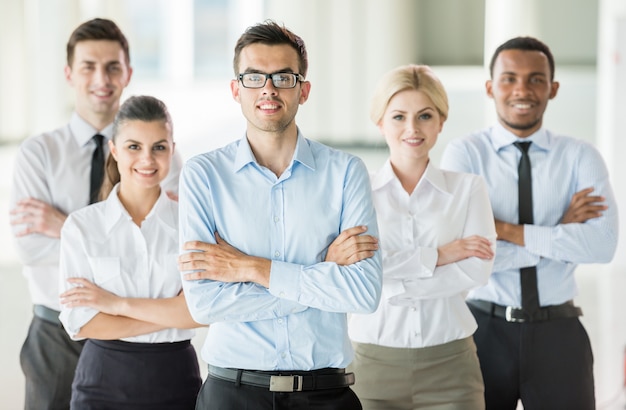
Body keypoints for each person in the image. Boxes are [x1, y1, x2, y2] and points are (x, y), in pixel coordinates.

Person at [177, 20, 383, 410]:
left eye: (283, 77)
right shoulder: (204, 175)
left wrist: (252, 268)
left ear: (303, 90)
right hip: (232, 394)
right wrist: (321, 270)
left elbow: (363, 292)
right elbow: (204, 304)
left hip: (327, 395)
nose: (268, 89)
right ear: (236, 89)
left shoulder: (345, 172)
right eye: (254, 77)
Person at [8, 18, 181, 409]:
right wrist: (129, 265)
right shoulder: (40, 153)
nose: (101, 78)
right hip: (57, 331)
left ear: (128, 73)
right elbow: (32, 248)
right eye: (89, 66)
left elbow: (171, 240)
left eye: (113, 67)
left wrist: (63, 225)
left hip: (140, 346)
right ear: (69, 74)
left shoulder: (163, 157)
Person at [440, 36, 619, 409]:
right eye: (509, 78)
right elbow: (466, 256)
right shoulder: (465, 153)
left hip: (560, 334)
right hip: (482, 331)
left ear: (552, 88)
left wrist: (502, 229)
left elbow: (602, 246)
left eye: (536, 79)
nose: (522, 89)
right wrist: (559, 235)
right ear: (490, 88)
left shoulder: (580, 156)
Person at [334, 64, 494, 410]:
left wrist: (389, 285)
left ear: (441, 122)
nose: (412, 128)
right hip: (373, 364)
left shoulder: (468, 189)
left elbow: (476, 271)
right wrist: (437, 255)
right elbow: (353, 271)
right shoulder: (356, 192)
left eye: (424, 116)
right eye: (398, 117)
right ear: (380, 123)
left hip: (451, 366)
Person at [57, 95, 201, 409]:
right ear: (114, 150)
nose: (147, 160)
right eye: (134, 146)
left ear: (172, 151)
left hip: (176, 380)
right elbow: (81, 323)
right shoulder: (82, 227)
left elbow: (202, 310)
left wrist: (115, 304)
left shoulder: (192, 225)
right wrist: (171, 313)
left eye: (159, 147)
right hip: (102, 383)